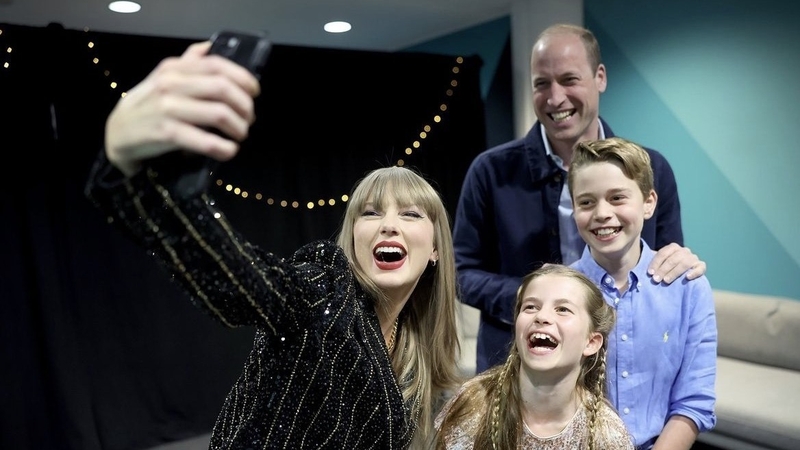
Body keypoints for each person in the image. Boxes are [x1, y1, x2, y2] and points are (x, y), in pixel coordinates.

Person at [83, 41, 463, 449]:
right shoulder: (324, 289)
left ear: (437, 248)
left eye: (410, 215)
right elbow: (240, 279)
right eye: (370, 213)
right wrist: (130, 170)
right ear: (352, 236)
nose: (389, 225)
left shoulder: (411, 348)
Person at [453, 22, 708, 373]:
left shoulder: (653, 169)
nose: (555, 98)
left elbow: (665, 263)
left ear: (599, 77)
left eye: (569, 80)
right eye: (542, 84)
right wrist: (532, 297)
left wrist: (682, 262)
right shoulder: (489, 171)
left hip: (624, 366)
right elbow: (460, 272)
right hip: (516, 366)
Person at [568, 137, 717, 449]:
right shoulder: (559, 291)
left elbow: (694, 401)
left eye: (618, 198)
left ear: (649, 203)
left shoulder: (688, 289)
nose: (602, 213)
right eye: (586, 202)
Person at [434, 264, 635, 450]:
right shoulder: (474, 404)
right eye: (530, 307)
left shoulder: (607, 434)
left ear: (591, 342)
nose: (541, 317)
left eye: (563, 310)